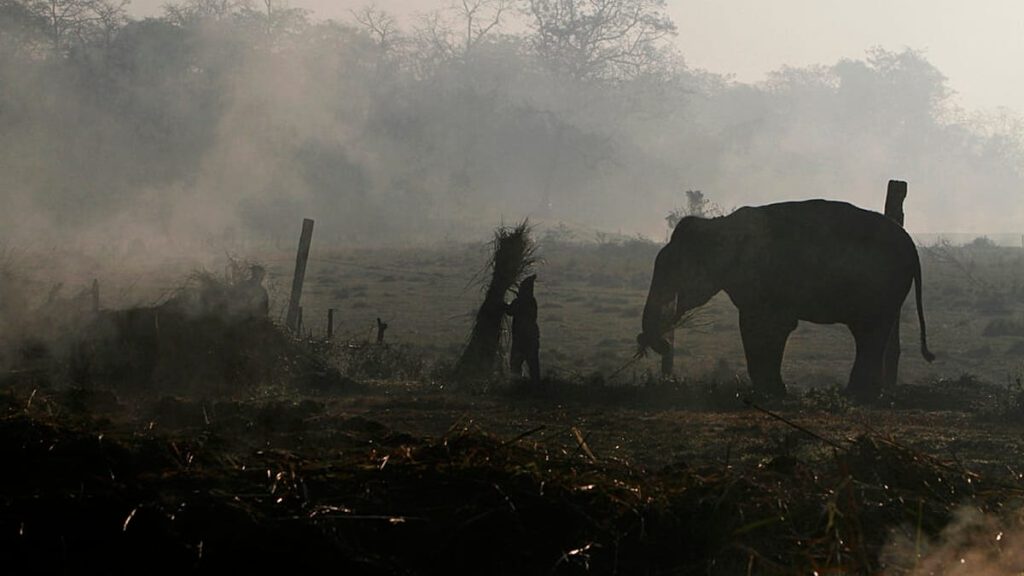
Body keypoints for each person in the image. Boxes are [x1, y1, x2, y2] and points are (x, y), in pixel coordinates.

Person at [506, 274, 540, 383]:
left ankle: (517, 384)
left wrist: (501, 304)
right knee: (533, 364)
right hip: (532, 337)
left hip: (521, 339)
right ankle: (535, 385)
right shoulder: (532, 301)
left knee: (515, 363)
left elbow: (509, 311)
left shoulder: (520, 302)